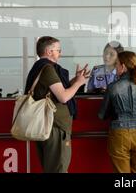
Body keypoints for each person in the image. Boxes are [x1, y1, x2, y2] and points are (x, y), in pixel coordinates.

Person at [24, 36, 90, 173]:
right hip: (55, 128)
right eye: (58, 50)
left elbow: (55, 91)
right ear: (49, 51)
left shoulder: (38, 67)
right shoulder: (48, 69)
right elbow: (63, 97)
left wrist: (74, 80)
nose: (60, 53)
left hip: (47, 126)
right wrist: (78, 83)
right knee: (58, 169)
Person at [98, 51, 136, 173]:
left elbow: (101, 115)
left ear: (123, 66)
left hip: (119, 134)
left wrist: (116, 111)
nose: (115, 67)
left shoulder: (113, 87)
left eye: (117, 64)